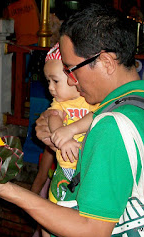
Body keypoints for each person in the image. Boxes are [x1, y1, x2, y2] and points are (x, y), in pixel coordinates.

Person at [0, 4, 144, 237]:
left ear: (106, 62)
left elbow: (91, 231)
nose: (71, 81)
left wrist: (1, 188)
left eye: (71, 69)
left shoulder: (112, 126)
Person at [44, 43, 99, 205]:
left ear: (74, 77)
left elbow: (96, 115)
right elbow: (54, 116)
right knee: (55, 206)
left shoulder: (90, 99)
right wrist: (62, 136)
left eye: (55, 81)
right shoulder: (59, 104)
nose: (50, 88)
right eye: (48, 81)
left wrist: (71, 129)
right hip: (64, 166)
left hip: (88, 168)